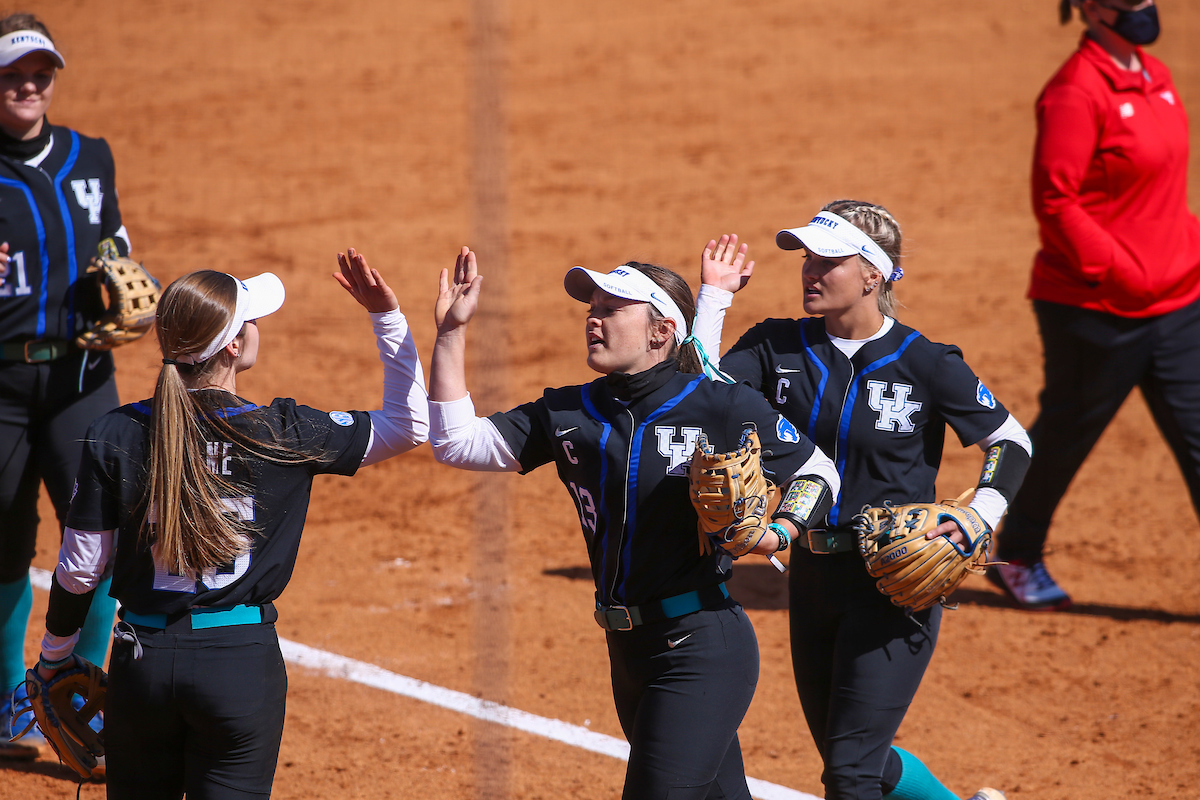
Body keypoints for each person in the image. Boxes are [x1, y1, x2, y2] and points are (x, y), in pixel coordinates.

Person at [428, 246, 840, 799]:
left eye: (612, 308)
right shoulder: (568, 411)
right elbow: (456, 443)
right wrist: (452, 333)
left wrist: (780, 532)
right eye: (591, 307)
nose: (593, 318)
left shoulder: (718, 403)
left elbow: (818, 471)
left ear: (660, 332)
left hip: (702, 647)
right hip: (628, 651)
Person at [29, 250, 428, 797]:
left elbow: (79, 572)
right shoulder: (283, 432)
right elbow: (410, 425)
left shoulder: (116, 433)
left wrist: (53, 659)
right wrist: (388, 317)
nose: (259, 327)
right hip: (240, 670)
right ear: (233, 346)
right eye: (252, 320)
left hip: (142, 666)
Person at [693, 202, 1030, 800]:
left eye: (829, 261)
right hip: (814, 575)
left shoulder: (924, 361)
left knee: (849, 774)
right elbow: (699, 394)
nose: (810, 271)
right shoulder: (776, 346)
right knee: (852, 756)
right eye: (807, 259)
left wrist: (981, 513)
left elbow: (1009, 440)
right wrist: (713, 300)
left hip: (895, 582)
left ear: (873, 274)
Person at [989, 0, 1200, 610]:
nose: (1144, 7)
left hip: (1177, 303)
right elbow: (1056, 203)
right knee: (1065, 435)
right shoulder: (1076, 92)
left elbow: (1164, 187)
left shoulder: (1154, 77)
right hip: (1096, 311)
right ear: (1089, 6)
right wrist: (1124, 272)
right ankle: (1017, 556)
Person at [0, 13, 135, 759]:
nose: (28, 86)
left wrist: (121, 275)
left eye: (39, 73)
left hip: (84, 375)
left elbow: (115, 239)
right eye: (14, 75)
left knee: (104, 537)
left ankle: (76, 697)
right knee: (3, 545)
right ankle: (4, 706)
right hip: (2, 385)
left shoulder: (91, 156)